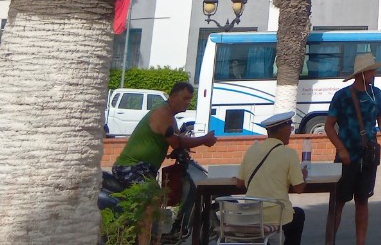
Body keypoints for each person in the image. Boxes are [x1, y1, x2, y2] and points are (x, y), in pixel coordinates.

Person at [111, 81, 217, 245]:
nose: (187, 102)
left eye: (189, 99)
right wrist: (204, 139)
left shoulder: (170, 117)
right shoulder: (162, 112)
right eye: (185, 98)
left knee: (158, 197)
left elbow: (178, 139)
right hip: (131, 166)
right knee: (152, 196)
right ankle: (145, 241)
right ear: (173, 96)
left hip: (144, 169)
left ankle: (154, 236)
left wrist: (181, 150)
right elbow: (176, 141)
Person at [325, 52, 381, 245]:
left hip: (368, 156)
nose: (374, 74)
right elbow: (328, 126)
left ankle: (360, 242)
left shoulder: (376, 93)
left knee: (362, 202)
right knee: (339, 202)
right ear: (361, 73)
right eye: (370, 71)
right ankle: (330, 241)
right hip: (347, 157)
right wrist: (341, 149)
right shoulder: (342, 96)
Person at [234, 111, 306, 245]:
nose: (291, 131)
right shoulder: (289, 153)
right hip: (276, 215)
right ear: (281, 130)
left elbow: (239, 183)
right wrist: (303, 176)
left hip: (252, 215)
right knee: (298, 215)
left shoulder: (252, 150)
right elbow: (299, 188)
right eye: (289, 128)